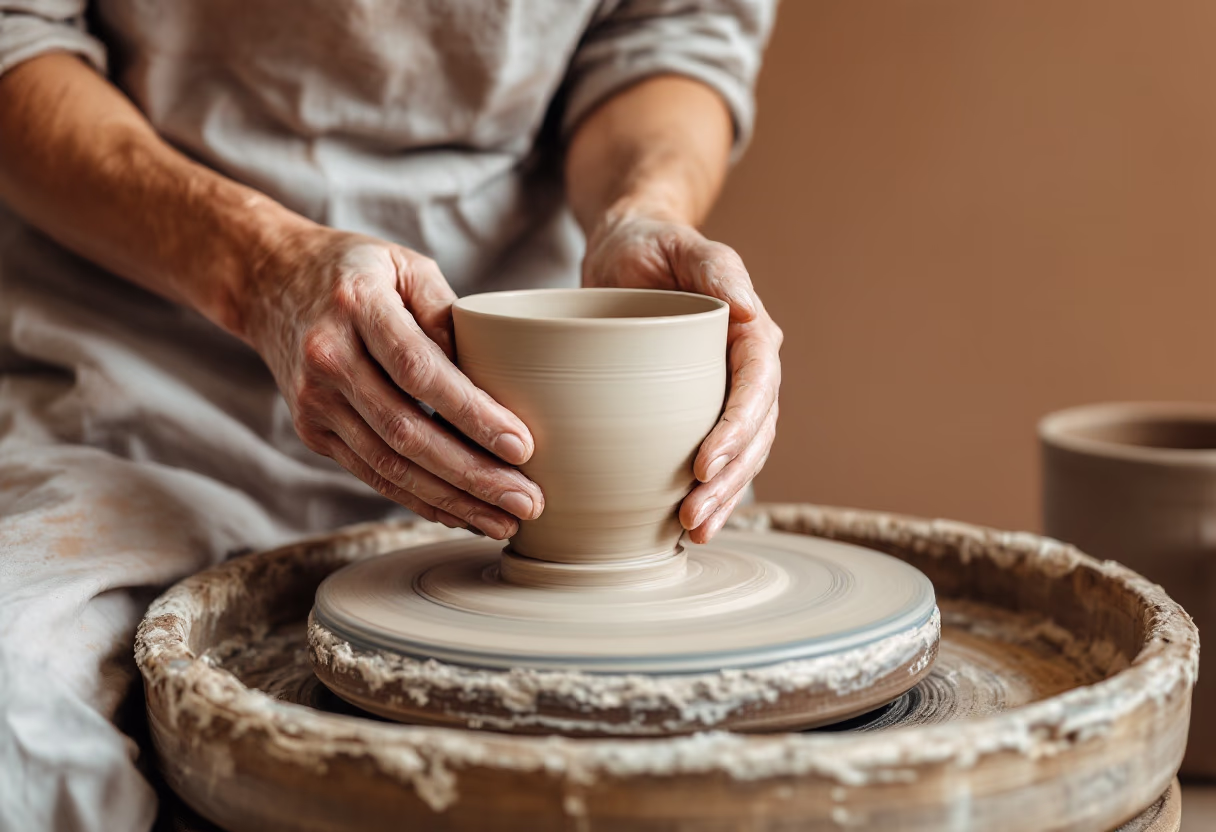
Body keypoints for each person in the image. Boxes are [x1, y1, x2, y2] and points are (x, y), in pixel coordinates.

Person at [0, 1, 783, 828]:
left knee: (744, 748)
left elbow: (663, 37)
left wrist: (641, 208)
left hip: (521, 427)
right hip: (132, 389)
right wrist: (262, 271)